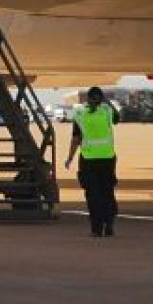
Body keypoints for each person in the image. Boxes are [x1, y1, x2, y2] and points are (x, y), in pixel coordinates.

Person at [66, 86, 120, 237]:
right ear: (101, 98)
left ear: (87, 99)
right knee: (107, 192)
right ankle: (109, 224)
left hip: (89, 160)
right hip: (108, 158)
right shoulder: (107, 111)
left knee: (93, 194)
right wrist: (107, 102)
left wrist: (69, 158)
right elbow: (117, 118)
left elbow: (76, 139)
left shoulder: (80, 114)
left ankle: (97, 229)